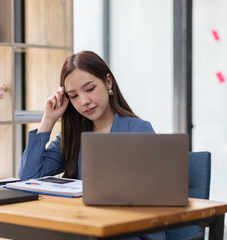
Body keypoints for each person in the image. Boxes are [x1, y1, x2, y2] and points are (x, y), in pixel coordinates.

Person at [18, 51, 165, 240]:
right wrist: (48, 120)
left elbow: (153, 197)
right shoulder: (72, 136)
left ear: (108, 82)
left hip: (127, 232)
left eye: (89, 89)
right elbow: (28, 177)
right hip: (83, 229)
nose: (84, 102)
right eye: (74, 96)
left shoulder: (138, 129)